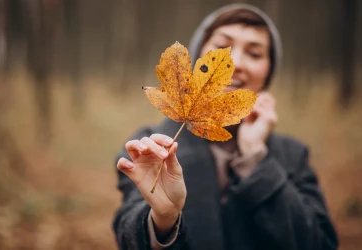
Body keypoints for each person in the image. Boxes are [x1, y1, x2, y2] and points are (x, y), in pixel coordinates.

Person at [112, 3, 338, 250]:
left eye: (254, 53)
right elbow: (128, 236)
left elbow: (320, 243)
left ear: (268, 72)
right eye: (221, 46)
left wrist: (256, 160)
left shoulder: (292, 155)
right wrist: (163, 219)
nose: (234, 61)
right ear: (199, 56)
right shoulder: (152, 146)